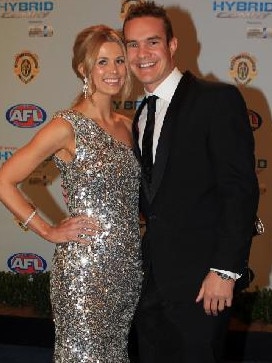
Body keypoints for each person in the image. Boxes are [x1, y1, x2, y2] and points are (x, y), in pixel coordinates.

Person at [122, 2, 259, 362]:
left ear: (172, 45)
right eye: (132, 45)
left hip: (203, 283)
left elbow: (239, 192)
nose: (142, 54)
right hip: (152, 283)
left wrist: (224, 271)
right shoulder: (138, 116)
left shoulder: (217, 100)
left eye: (152, 42)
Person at [0, 24, 142, 363]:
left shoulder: (129, 124)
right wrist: (49, 230)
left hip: (127, 267)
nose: (113, 71)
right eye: (102, 62)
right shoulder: (66, 126)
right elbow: (5, 179)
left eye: (120, 61)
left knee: (114, 354)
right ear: (83, 69)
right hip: (85, 269)